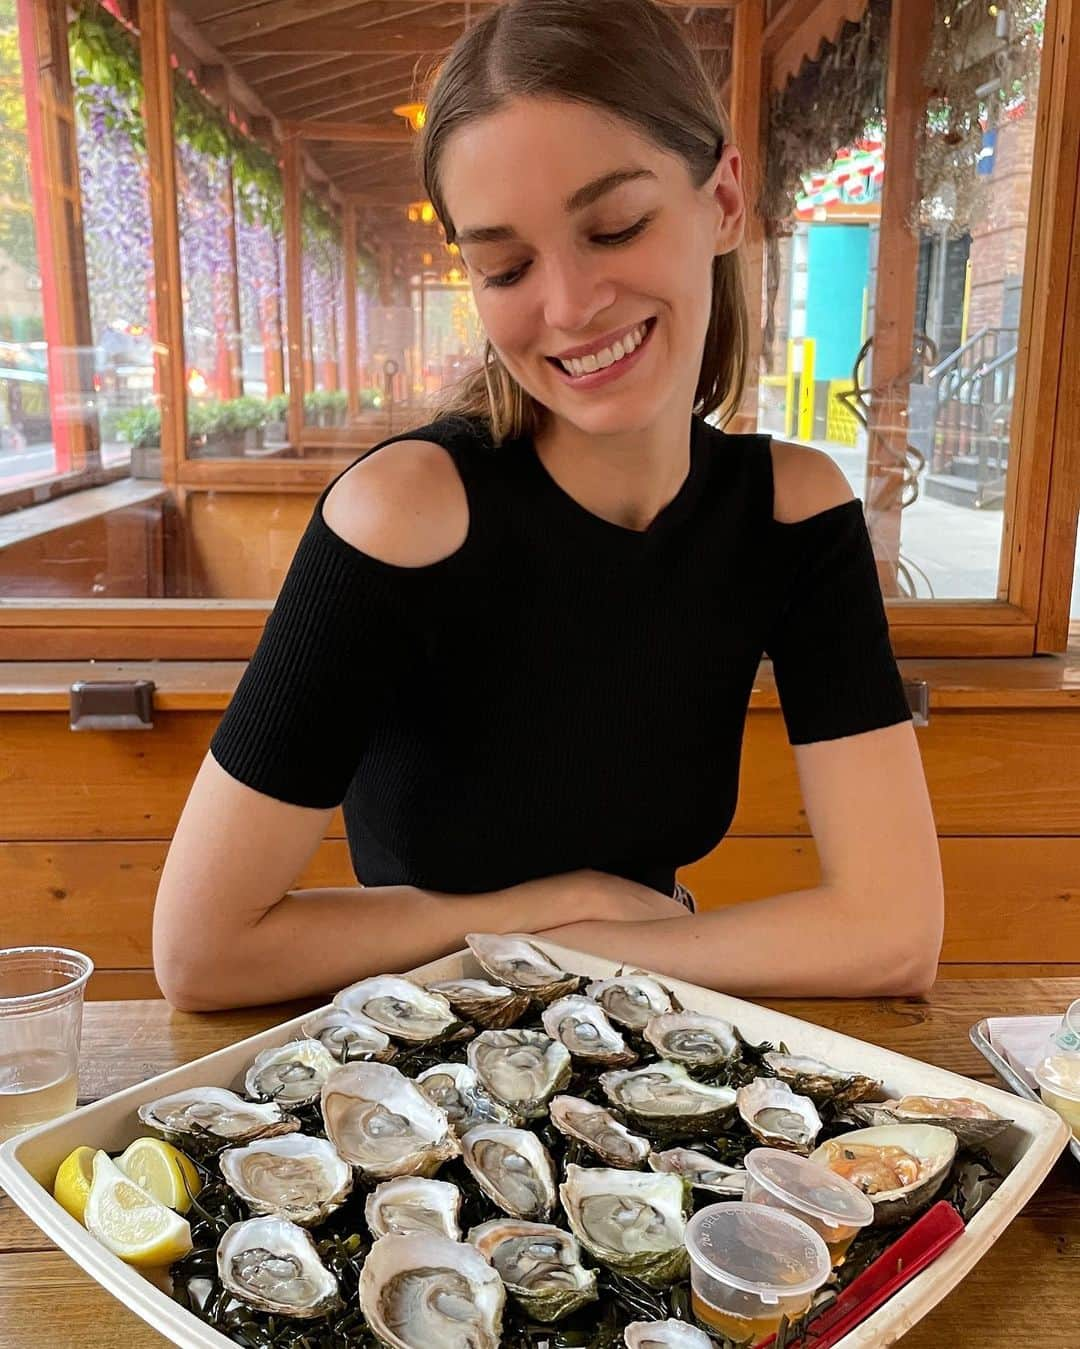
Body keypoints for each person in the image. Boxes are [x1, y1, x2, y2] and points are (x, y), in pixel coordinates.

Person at [153, 0, 943, 1012]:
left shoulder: (792, 512)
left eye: (614, 226)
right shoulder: (401, 515)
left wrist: (603, 954)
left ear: (725, 198)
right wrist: (549, 909)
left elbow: (895, 932)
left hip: (655, 1020)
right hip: (426, 1039)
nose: (568, 307)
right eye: (506, 266)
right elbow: (200, 952)